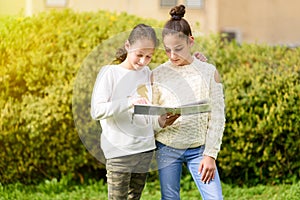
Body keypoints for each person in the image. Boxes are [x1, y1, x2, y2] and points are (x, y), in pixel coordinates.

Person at [152, 5, 226, 200]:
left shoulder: (209, 72)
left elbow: (218, 117)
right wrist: (161, 121)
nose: (173, 56)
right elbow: (149, 118)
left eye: (178, 49)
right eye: (167, 50)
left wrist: (210, 155)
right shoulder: (157, 74)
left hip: (199, 150)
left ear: (190, 41)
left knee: (215, 198)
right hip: (167, 147)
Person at [91, 23, 159, 200]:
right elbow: (97, 110)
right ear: (128, 46)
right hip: (119, 151)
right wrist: (129, 102)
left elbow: (146, 109)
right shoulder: (110, 73)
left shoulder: (146, 72)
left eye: (148, 57)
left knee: (134, 197)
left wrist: (161, 119)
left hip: (145, 149)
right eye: (139, 55)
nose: (143, 61)